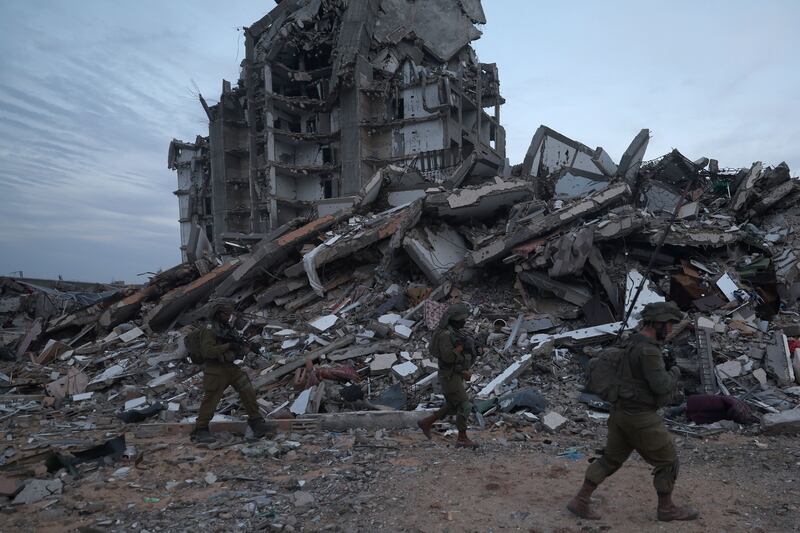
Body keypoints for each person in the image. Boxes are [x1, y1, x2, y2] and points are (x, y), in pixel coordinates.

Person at [567, 301, 699, 522]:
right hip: (640, 417)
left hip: (620, 414)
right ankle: (666, 509)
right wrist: (675, 371)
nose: (669, 329)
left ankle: (580, 500)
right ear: (655, 324)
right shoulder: (648, 351)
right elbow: (661, 386)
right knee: (668, 461)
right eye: (667, 324)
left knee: (610, 459)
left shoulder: (634, 341)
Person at [187, 300, 271, 443]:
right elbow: (208, 351)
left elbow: (236, 349)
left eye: (229, 314)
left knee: (247, 391)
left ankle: (257, 422)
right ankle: (201, 429)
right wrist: (228, 345)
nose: (229, 316)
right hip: (215, 369)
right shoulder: (209, 329)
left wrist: (244, 348)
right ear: (218, 313)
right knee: (211, 400)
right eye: (226, 314)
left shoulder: (226, 328)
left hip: (231, 367)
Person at [417, 303, 479, 448]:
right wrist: (459, 349)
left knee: (452, 405)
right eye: (462, 319)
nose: (464, 321)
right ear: (454, 319)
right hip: (449, 376)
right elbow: (448, 358)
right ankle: (462, 438)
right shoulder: (445, 335)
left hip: (452, 375)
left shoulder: (452, 332)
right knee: (465, 405)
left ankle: (426, 422)